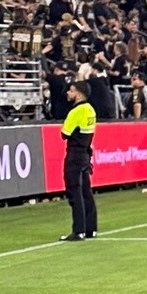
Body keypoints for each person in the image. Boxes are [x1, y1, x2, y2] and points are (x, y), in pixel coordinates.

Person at [60, 78, 97, 240]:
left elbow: (64, 134)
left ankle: (79, 230)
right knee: (86, 192)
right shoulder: (91, 110)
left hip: (74, 154)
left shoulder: (76, 111)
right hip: (85, 153)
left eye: (72, 90)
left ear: (79, 94)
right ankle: (91, 228)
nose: (68, 93)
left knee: (74, 192)